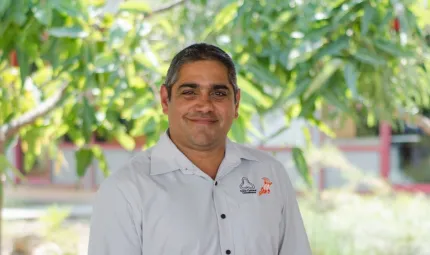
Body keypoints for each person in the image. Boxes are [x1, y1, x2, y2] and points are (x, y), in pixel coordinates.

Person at [88, 43, 312, 255]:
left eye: (218, 93)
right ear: (166, 100)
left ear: (236, 102)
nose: (205, 105)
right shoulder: (126, 190)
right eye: (189, 92)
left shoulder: (269, 175)